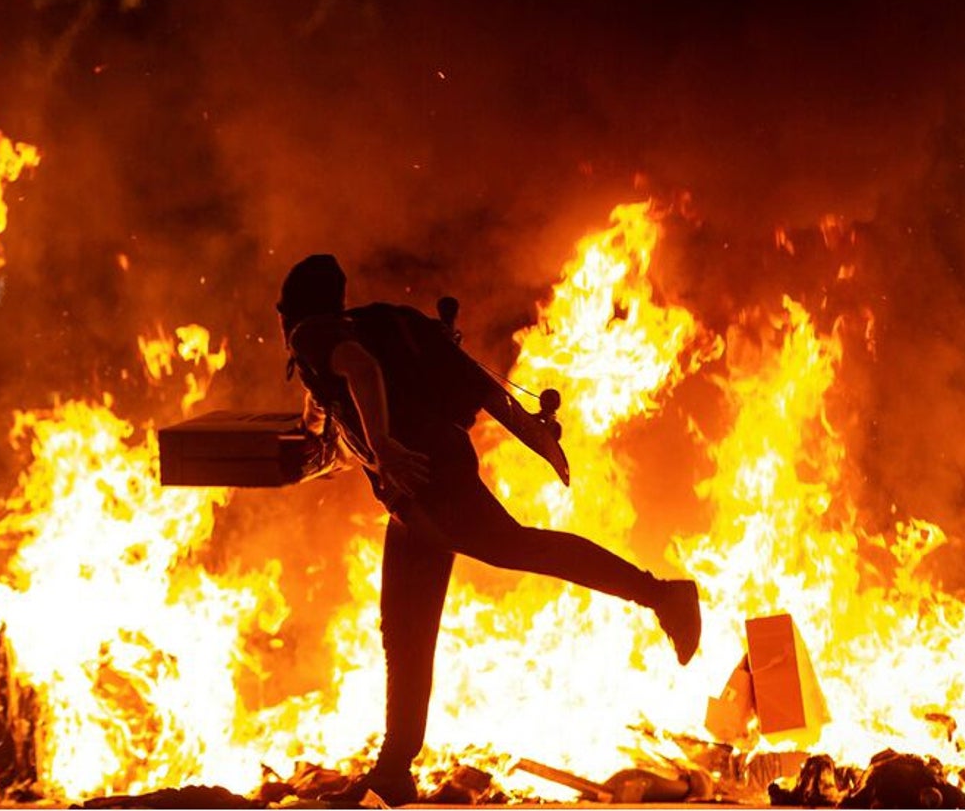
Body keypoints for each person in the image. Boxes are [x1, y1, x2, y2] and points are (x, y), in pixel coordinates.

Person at [277, 254, 701, 808]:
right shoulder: (346, 332)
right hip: (415, 499)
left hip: (432, 483)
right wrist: (531, 433)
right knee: (403, 628)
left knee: (514, 547)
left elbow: (361, 371)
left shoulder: (315, 335)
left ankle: (662, 594)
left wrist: (381, 444)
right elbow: (459, 383)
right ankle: (393, 771)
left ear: (289, 310)